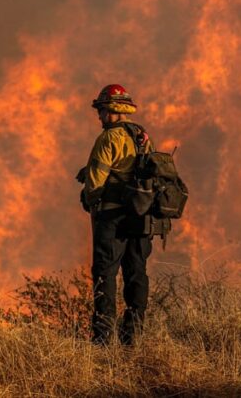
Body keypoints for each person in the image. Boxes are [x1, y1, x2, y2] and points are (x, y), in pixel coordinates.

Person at [77, 84, 154, 345]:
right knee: (136, 273)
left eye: (100, 110)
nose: (99, 117)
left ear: (111, 109)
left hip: (112, 219)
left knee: (105, 274)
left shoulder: (109, 138)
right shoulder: (141, 135)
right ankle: (132, 336)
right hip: (140, 217)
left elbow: (96, 182)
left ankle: (103, 338)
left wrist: (88, 198)